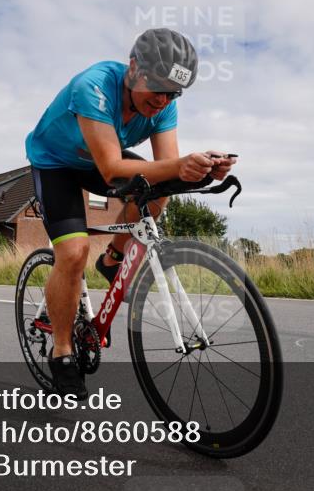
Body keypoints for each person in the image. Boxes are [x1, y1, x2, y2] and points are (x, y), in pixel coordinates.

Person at [24, 28, 237, 398]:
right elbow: (110, 169)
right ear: (134, 68)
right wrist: (178, 166)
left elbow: (168, 166)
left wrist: (201, 168)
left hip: (98, 159)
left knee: (159, 190)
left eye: (174, 92)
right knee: (72, 254)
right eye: (158, 88)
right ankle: (61, 352)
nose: (164, 99)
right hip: (57, 163)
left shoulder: (164, 103)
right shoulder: (93, 86)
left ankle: (114, 258)